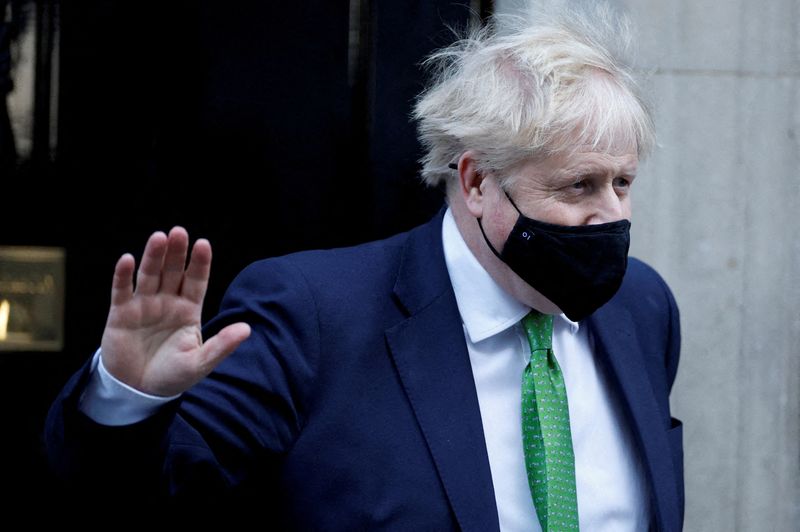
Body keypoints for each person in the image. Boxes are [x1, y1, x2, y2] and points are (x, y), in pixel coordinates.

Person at [45, 3, 683, 530]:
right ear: (478, 180)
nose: (611, 215)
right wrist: (129, 399)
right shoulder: (314, 316)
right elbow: (153, 497)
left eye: (622, 183)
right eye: (577, 187)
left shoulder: (642, 306)